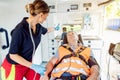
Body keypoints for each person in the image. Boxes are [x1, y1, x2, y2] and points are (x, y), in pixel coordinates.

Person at [0, 0, 59, 80]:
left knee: (38, 78)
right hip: (14, 66)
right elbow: (13, 55)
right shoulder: (20, 30)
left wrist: (54, 29)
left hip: (27, 63)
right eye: (46, 16)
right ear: (41, 15)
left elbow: (46, 30)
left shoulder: (38, 26)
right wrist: (33, 66)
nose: (46, 18)